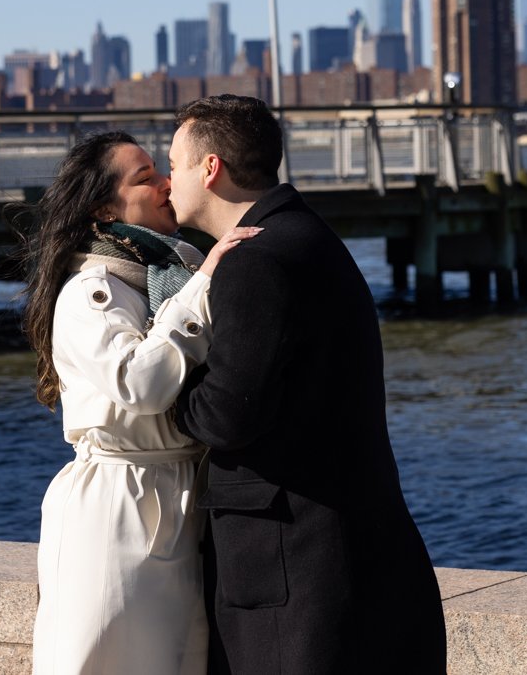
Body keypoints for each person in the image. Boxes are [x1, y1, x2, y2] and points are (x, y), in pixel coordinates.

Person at [168, 95, 447, 675]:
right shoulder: (307, 236)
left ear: (210, 168)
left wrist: (165, 393)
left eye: (174, 166)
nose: (169, 182)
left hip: (293, 577)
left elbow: (229, 415)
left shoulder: (255, 260)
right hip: (353, 549)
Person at [24, 129, 259, 675]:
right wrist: (203, 285)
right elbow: (141, 382)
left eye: (161, 171)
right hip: (118, 509)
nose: (164, 184)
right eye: (144, 177)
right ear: (105, 210)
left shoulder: (157, 275)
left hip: (174, 498)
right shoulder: (91, 291)